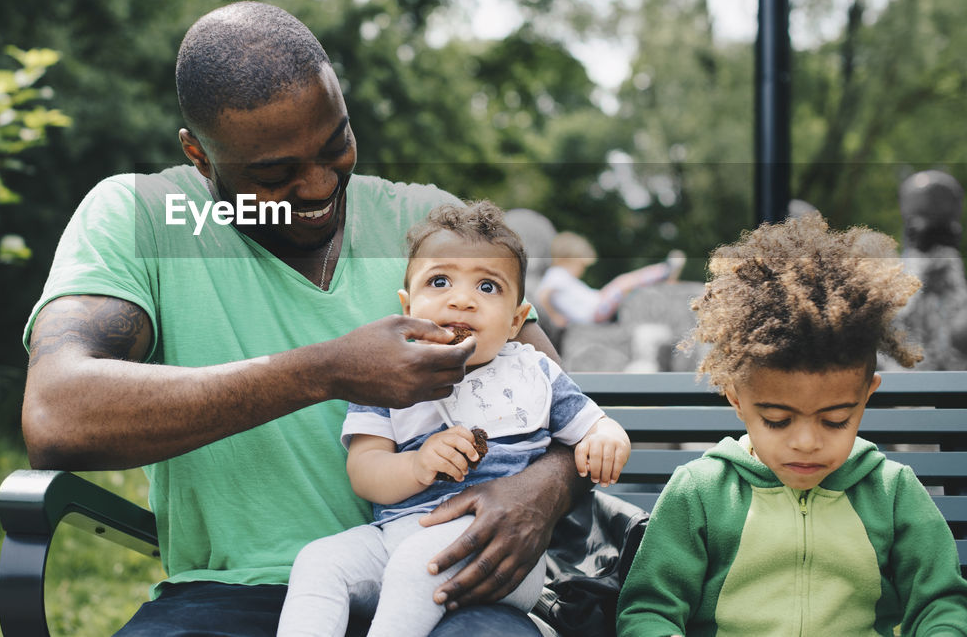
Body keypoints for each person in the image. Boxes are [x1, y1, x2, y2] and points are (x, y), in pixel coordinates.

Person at [20, 1, 591, 637]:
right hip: (229, 597)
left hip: (444, 584)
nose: (319, 186)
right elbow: (56, 414)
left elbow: (555, 398)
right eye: (275, 172)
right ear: (199, 156)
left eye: (335, 144)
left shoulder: (430, 226)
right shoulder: (144, 218)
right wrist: (325, 372)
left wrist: (541, 492)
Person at [277, 201, 631, 637]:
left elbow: (593, 424)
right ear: (406, 305)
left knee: (418, 563)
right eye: (440, 281)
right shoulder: (385, 376)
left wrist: (607, 437)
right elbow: (365, 472)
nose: (462, 300)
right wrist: (415, 465)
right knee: (319, 561)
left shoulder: (533, 372)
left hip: (499, 554)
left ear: (517, 319)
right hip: (395, 534)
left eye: (488, 287)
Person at [616, 213, 967, 636]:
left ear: (865, 396)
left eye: (836, 421)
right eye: (778, 421)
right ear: (735, 397)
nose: (805, 442)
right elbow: (649, 611)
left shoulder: (892, 493)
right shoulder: (700, 492)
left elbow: (940, 607)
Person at [534, 231, 684, 326]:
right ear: (568, 259)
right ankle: (664, 271)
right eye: (580, 265)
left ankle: (663, 273)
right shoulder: (557, 274)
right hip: (595, 310)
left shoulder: (560, 276)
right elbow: (542, 295)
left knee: (624, 283)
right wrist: (555, 317)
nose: (581, 271)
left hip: (597, 304)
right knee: (623, 283)